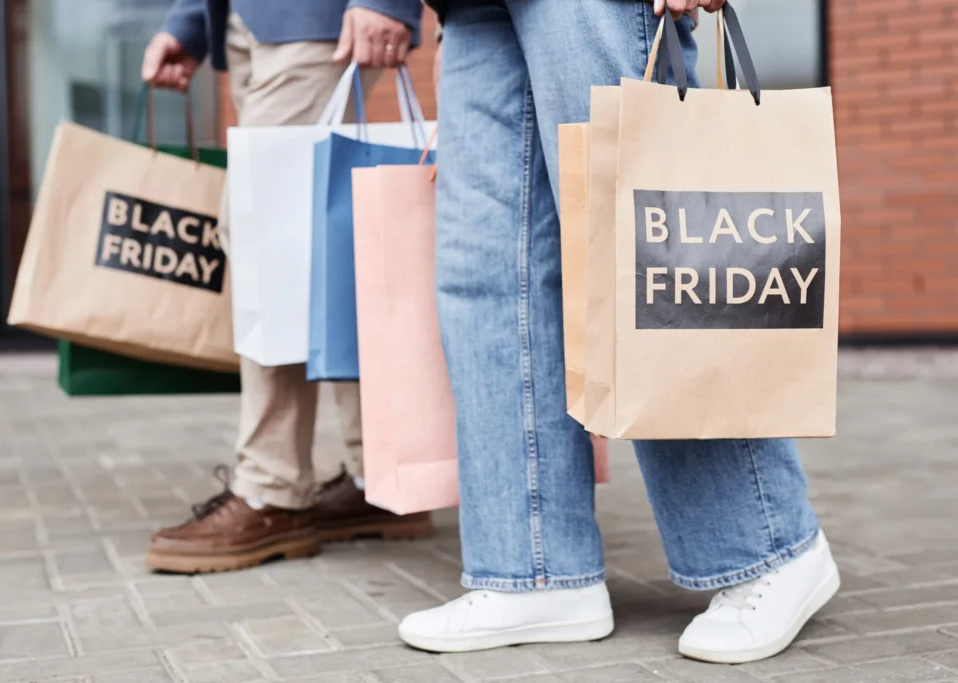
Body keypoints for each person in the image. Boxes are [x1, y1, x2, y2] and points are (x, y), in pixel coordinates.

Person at [399, 0, 841, 664]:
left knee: (648, 249)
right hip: (470, 8)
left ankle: (769, 547)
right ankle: (536, 571)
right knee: (488, 274)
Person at [140, 0, 430, 575]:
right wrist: (192, 24)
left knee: (262, 229)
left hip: (319, 21)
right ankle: (382, 476)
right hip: (250, 23)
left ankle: (272, 490)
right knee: (319, 239)